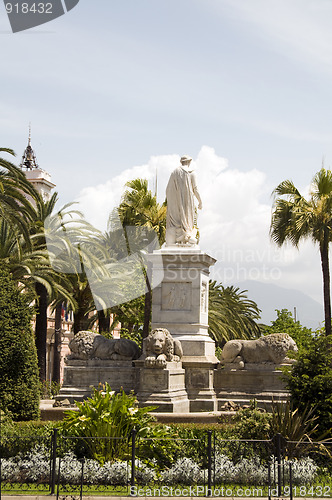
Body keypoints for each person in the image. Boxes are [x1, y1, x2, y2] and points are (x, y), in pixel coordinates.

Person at [165, 155, 202, 246]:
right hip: (187, 203)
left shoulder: (174, 172)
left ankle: (181, 237)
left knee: (176, 222)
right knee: (188, 221)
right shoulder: (191, 173)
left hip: (175, 204)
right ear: (189, 161)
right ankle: (186, 234)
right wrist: (200, 201)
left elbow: (168, 189)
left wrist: (172, 201)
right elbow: (195, 189)